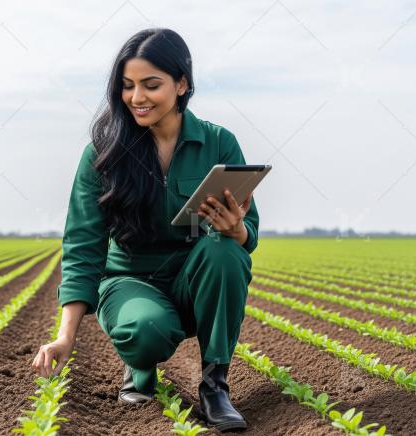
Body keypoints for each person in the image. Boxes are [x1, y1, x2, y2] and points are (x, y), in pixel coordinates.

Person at [32, 27, 258, 432]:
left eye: (151, 85)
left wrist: (237, 229)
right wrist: (65, 337)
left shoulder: (219, 143)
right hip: (130, 283)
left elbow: (249, 232)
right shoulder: (103, 154)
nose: (137, 97)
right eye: (127, 85)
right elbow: (83, 245)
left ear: (181, 84)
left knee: (226, 250)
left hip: (194, 281)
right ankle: (139, 368)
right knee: (145, 328)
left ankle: (215, 387)